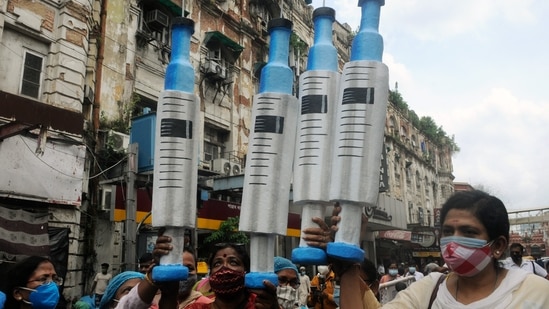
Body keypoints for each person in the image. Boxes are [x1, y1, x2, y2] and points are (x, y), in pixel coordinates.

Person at [332, 190, 549, 308]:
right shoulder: (429, 291)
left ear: (498, 246)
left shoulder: (536, 293)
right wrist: (348, 250)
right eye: (447, 231)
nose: (454, 242)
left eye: (469, 232)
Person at [117, 244, 211, 309]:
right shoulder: (149, 302)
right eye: (176, 268)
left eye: (189, 268)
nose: (181, 274)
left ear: (197, 271)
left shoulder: (207, 305)